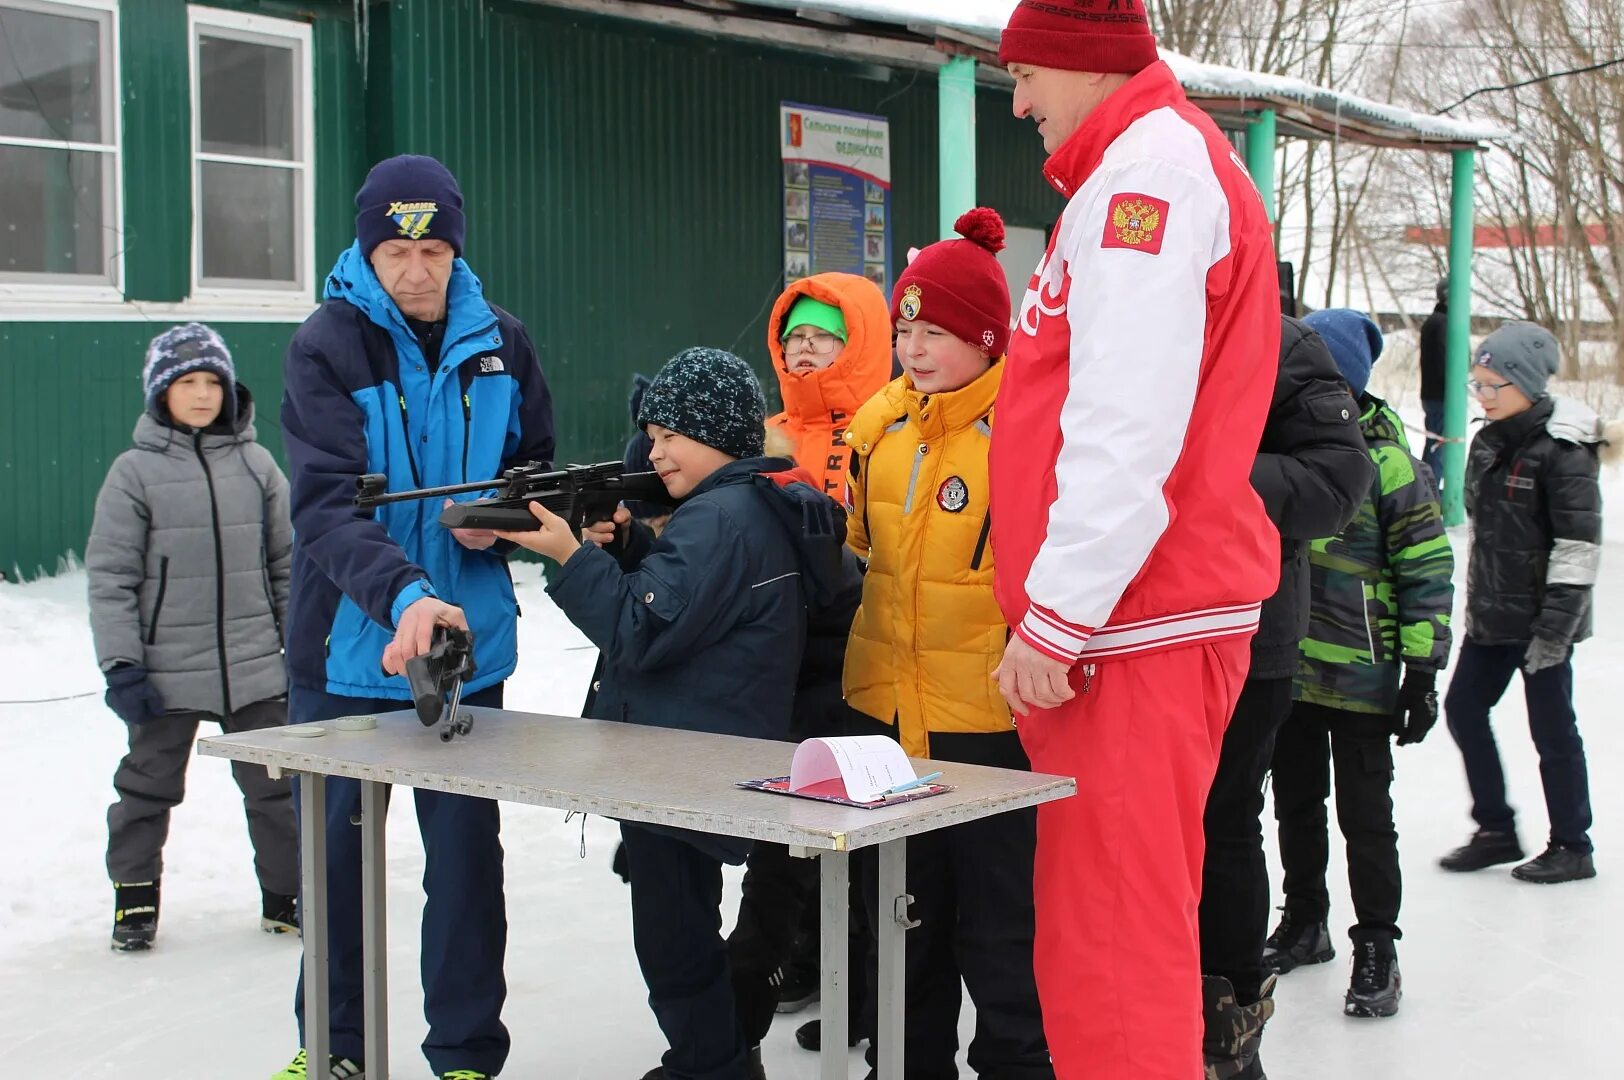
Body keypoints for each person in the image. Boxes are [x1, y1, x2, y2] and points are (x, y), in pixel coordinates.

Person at [993, 4, 1284, 1077]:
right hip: (1134, 621)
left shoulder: (1147, 177)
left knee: (1112, 948)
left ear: (1079, 59)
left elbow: (1127, 421)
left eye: (1025, 73)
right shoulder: (1140, 166)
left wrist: (1057, 619)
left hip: (1134, 625)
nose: (1016, 100)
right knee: (1104, 937)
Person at [271, 154, 555, 1080]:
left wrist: (501, 527)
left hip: (466, 653)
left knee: (466, 863)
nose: (416, 267)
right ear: (368, 249)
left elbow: (536, 472)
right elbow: (322, 508)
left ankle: (467, 1054)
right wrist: (402, 595)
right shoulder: (328, 345)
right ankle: (338, 1051)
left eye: (432, 246)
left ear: (455, 246)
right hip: (348, 654)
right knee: (338, 867)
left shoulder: (502, 343)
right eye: (396, 248)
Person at [498, 347, 851, 1080]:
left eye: (669, 436)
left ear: (718, 433)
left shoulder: (716, 519)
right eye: (650, 436)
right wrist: (627, 545)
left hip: (684, 758)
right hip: (706, 748)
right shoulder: (742, 506)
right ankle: (708, 1056)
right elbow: (688, 607)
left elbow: (642, 629)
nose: (653, 453)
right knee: (680, 928)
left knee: (672, 938)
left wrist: (572, 557)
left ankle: (712, 1064)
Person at [841, 207, 1053, 1079]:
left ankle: (1015, 1064)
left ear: (990, 340)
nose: (916, 347)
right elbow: (856, 556)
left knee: (1000, 927)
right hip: (887, 715)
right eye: (905, 328)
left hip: (989, 724)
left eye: (938, 331)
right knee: (904, 917)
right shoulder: (876, 430)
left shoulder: (1025, 431)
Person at [1264, 309, 1455, 1021]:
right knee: (1294, 806)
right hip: (1291, 668)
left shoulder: (1386, 459)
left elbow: (1427, 565)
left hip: (1364, 678)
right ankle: (1305, 919)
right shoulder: (1285, 446)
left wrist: (1422, 671)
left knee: (1366, 817)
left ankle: (1377, 942)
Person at [87, 323, 298, 952]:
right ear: (161, 393)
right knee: (145, 789)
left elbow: (287, 565)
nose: (203, 394)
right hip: (165, 672)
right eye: (187, 382)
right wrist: (122, 663)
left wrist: (299, 647)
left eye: (214, 381)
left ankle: (287, 897)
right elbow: (111, 578)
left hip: (255, 665)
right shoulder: (134, 474)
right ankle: (135, 900)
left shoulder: (257, 465)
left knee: (276, 789)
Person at [1197, 314, 1371, 1078]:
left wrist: (1203, 469)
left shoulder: (1283, 342)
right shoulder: (1121, 314)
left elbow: (1337, 483)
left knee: (1225, 819)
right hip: (1132, 627)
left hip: (1250, 631)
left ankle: (1229, 1022)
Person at [753, 268, 892, 1043]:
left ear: (857, 344)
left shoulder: (887, 426)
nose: (805, 353)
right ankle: (805, 957)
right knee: (794, 814)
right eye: (794, 338)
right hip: (787, 648)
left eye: (822, 339)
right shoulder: (770, 431)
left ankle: (870, 985)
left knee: (862, 829)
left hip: (863, 649)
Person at [1440, 322, 1607, 885]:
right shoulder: (1490, 443)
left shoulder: (1564, 453)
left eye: (1493, 386)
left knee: (1553, 731)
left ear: (1527, 386)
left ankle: (1572, 845)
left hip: (1543, 622)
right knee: (1463, 709)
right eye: (1477, 385)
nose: (1482, 397)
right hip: (1492, 613)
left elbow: (1578, 549)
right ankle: (1496, 829)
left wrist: (1555, 631)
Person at [764, 271, 893, 498]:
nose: (805, 346)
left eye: (823, 334)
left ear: (859, 348)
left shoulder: (891, 436)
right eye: (795, 335)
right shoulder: (765, 436)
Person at [1419, 278, 1450, 484]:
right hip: (1440, 394)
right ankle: (1430, 489)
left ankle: (1426, 486)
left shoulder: (1435, 320)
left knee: (1435, 443)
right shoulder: (1443, 323)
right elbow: (1444, 361)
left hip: (1432, 393)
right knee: (1438, 446)